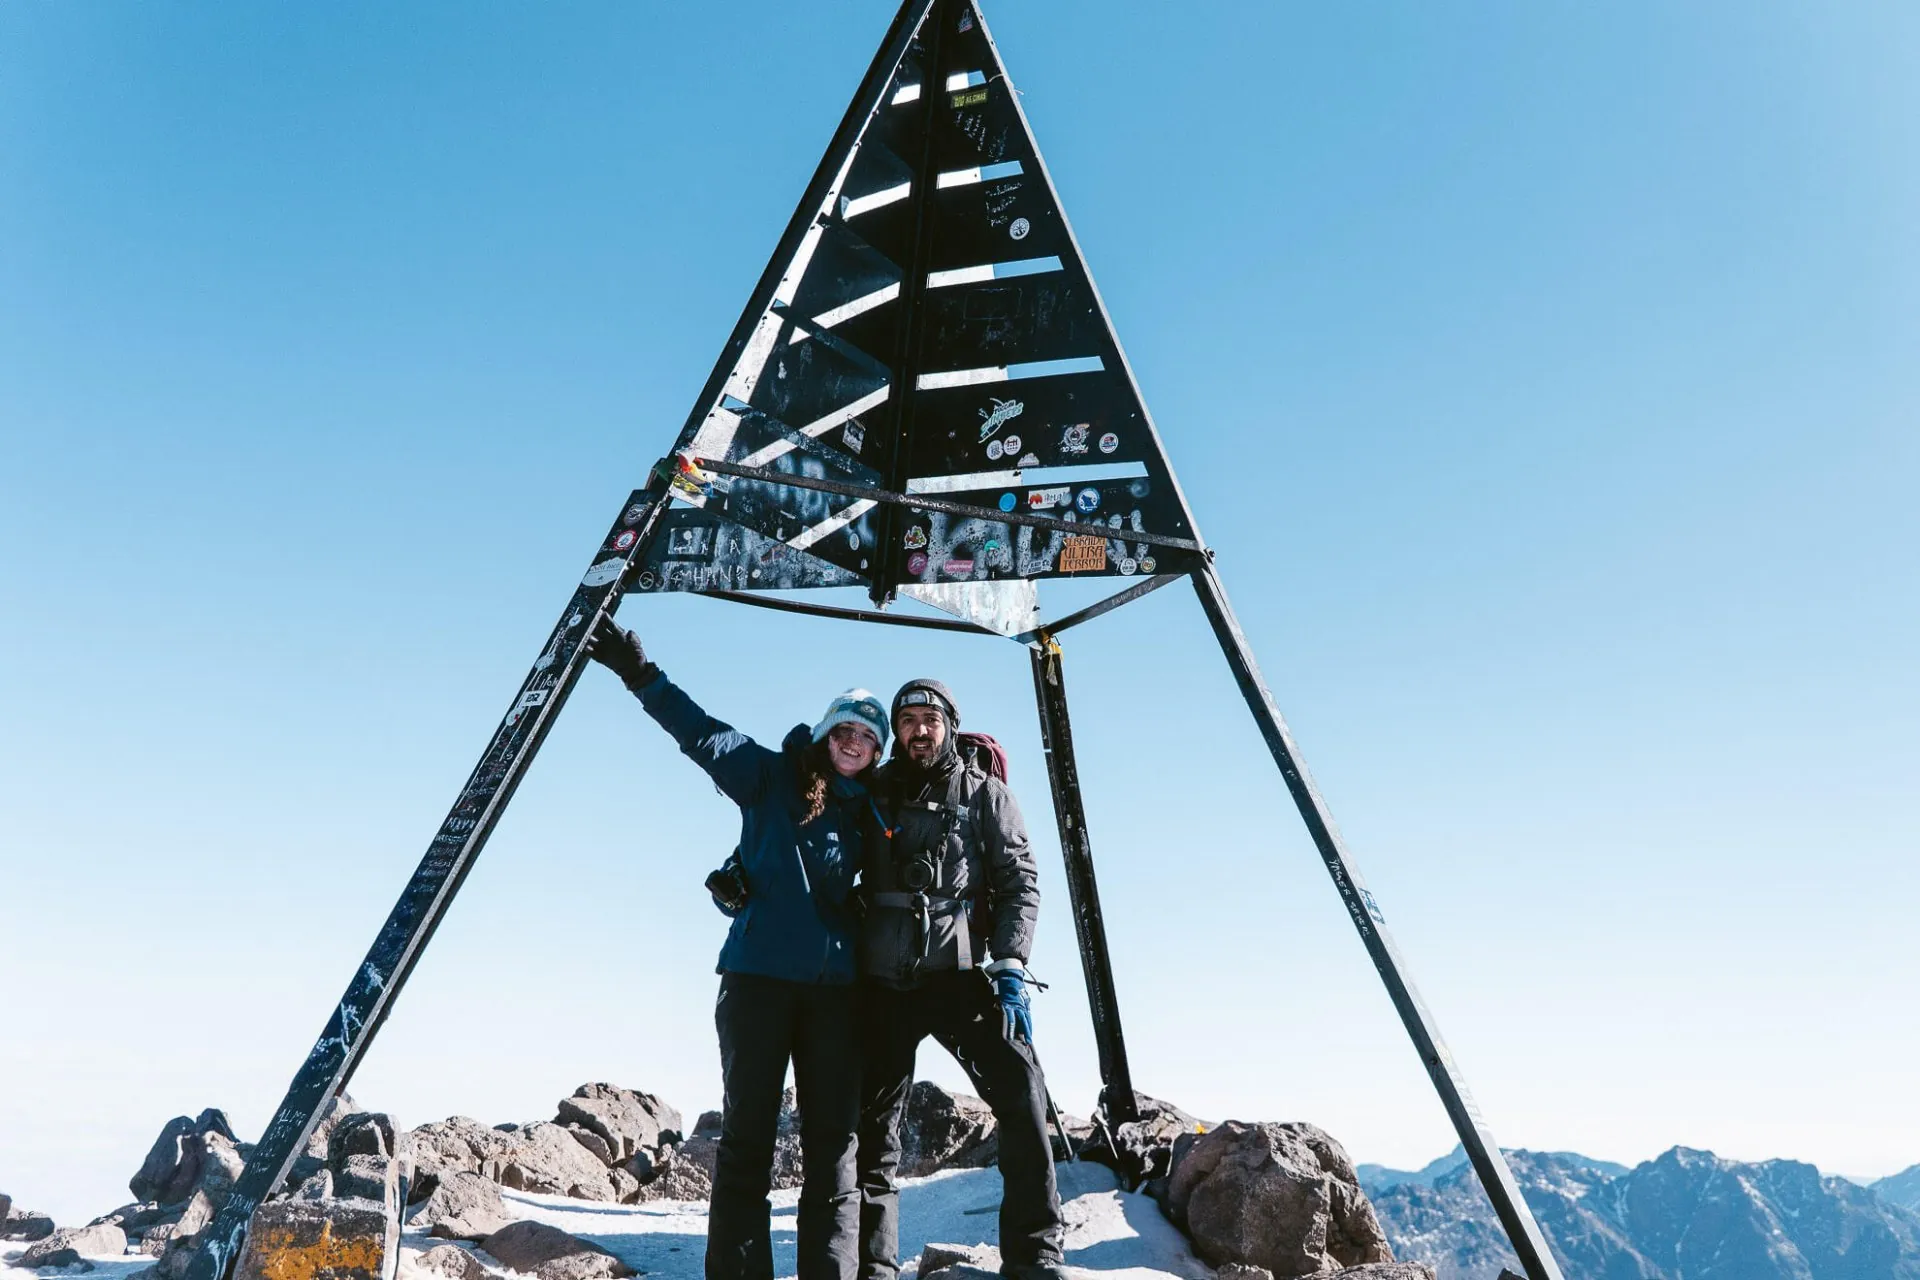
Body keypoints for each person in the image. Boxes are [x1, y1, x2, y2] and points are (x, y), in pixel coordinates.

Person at [586, 617, 888, 1280]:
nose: (854, 743)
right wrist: (640, 673)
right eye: (846, 729)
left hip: (836, 996)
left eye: (868, 737)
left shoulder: (873, 811)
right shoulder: (770, 777)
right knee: (748, 1144)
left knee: (833, 1151)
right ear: (826, 732)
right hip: (757, 984)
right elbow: (702, 734)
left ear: (876, 751)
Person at [854, 679, 1066, 1280]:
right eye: (908, 720)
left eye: (930, 718)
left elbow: (1020, 880)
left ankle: (1034, 1258)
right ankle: (874, 1268)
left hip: (962, 977)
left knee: (1024, 1099)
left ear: (949, 723)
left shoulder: (984, 794)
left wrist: (1011, 964)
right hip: (881, 984)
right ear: (894, 731)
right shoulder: (871, 791)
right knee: (873, 1133)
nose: (919, 730)